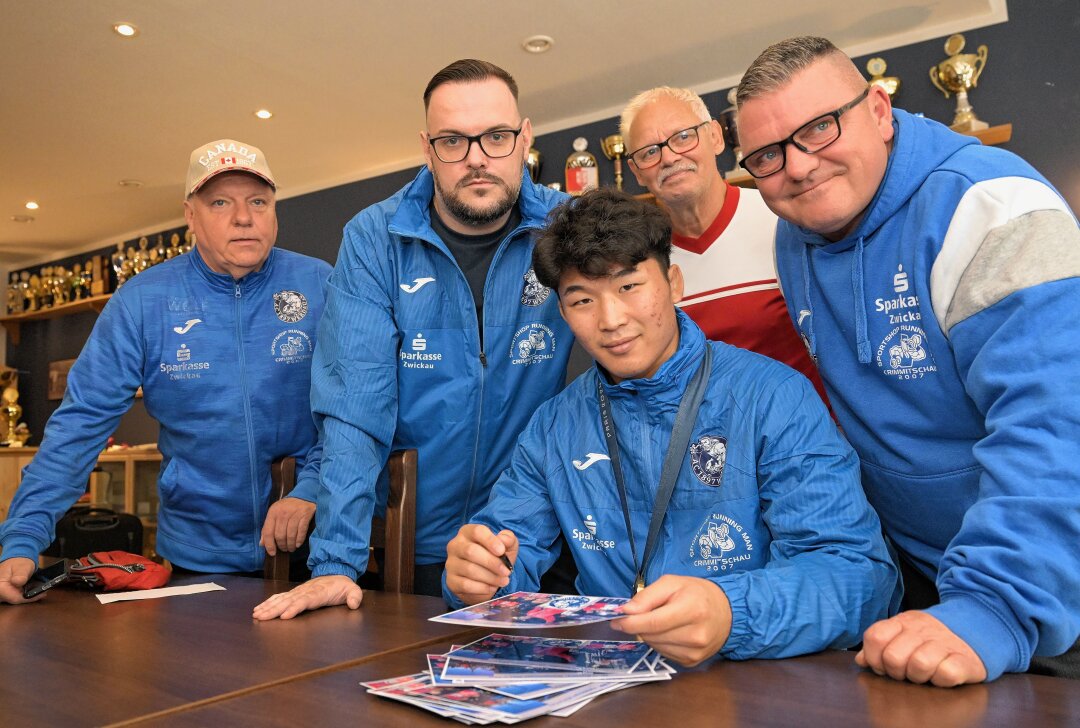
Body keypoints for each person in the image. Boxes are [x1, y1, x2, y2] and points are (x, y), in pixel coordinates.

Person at [735, 36, 1080, 685]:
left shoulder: (993, 207)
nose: (799, 167)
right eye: (767, 156)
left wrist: (996, 605)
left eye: (818, 128)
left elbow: (1060, 422)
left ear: (878, 110)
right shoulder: (794, 235)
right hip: (934, 580)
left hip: (1042, 583)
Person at [443, 188, 898, 666]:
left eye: (629, 287)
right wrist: (477, 576)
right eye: (582, 300)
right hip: (609, 689)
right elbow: (502, 554)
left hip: (750, 683)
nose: (611, 320)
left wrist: (730, 612)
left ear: (674, 283)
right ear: (562, 313)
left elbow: (858, 578)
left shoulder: (774, 397)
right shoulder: (552, 427)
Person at [252, 59, 572, 619]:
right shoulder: (374, 239)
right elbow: (356, 406)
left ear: (525, 139)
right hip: (416, 547)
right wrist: (334, 564)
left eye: (496, 137)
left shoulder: (568, 228)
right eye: (453, 140)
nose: (476, 157)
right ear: (428, 148)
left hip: (540, 537)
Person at [0, 139, 331, 603]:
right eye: (220, 202)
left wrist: (311, 486)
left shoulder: (320, 283)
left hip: (316, 547)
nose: (244, 217)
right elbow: (80, 423)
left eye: (258, 201)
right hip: (198, 554)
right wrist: (23, 538)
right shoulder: (142, 301)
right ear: (190, 216)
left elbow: (353, 407)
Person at [619, 87, 828, 403]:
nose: (670, 157)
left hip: (806, 438)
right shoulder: (638, 262)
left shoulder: (782, 217)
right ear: (635, 172)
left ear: (716, 137)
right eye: (649, 152)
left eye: (684, 136)